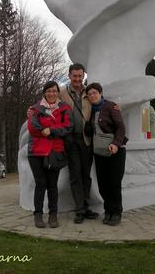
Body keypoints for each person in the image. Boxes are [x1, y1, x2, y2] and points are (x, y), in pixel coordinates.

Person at [27, 81, 73, 228]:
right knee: (40, 184)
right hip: (36, 152)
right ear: (44, 93)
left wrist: (51, 130)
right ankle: (38, 215)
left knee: (52, 185)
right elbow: (33, 127)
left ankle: (53, 215)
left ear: (58, 93)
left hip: (55, 152)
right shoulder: (35, 108)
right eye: (48, 91)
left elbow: (68, 127)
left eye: (54, 91)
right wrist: (53, 128)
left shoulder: (64, 108)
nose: (51, 94)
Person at [59, 63, 99, 223]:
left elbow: (100, 102)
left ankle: (87, 207)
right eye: (74, 76)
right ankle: (79, 210)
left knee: (86, 175)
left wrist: (114, 107)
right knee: (75, 175)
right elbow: (46, 102)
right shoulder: (62, 92)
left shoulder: (89, 92)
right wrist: (32, 111)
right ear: (69, 76)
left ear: (83, 76)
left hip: (86, 140)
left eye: (80, 76)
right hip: (70, 139)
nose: (77, 79)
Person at [86, 82, 128, 226]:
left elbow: (121, 127)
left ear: (100, 93)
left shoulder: (111, 106)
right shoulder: (89, 110)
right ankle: (108, 210)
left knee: (114, 183)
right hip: (99, 152)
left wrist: (116, 143)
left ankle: (116, 212)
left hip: (114, 151)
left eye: (94, 93)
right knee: (103, 184)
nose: (92, 96)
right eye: (90, 94)